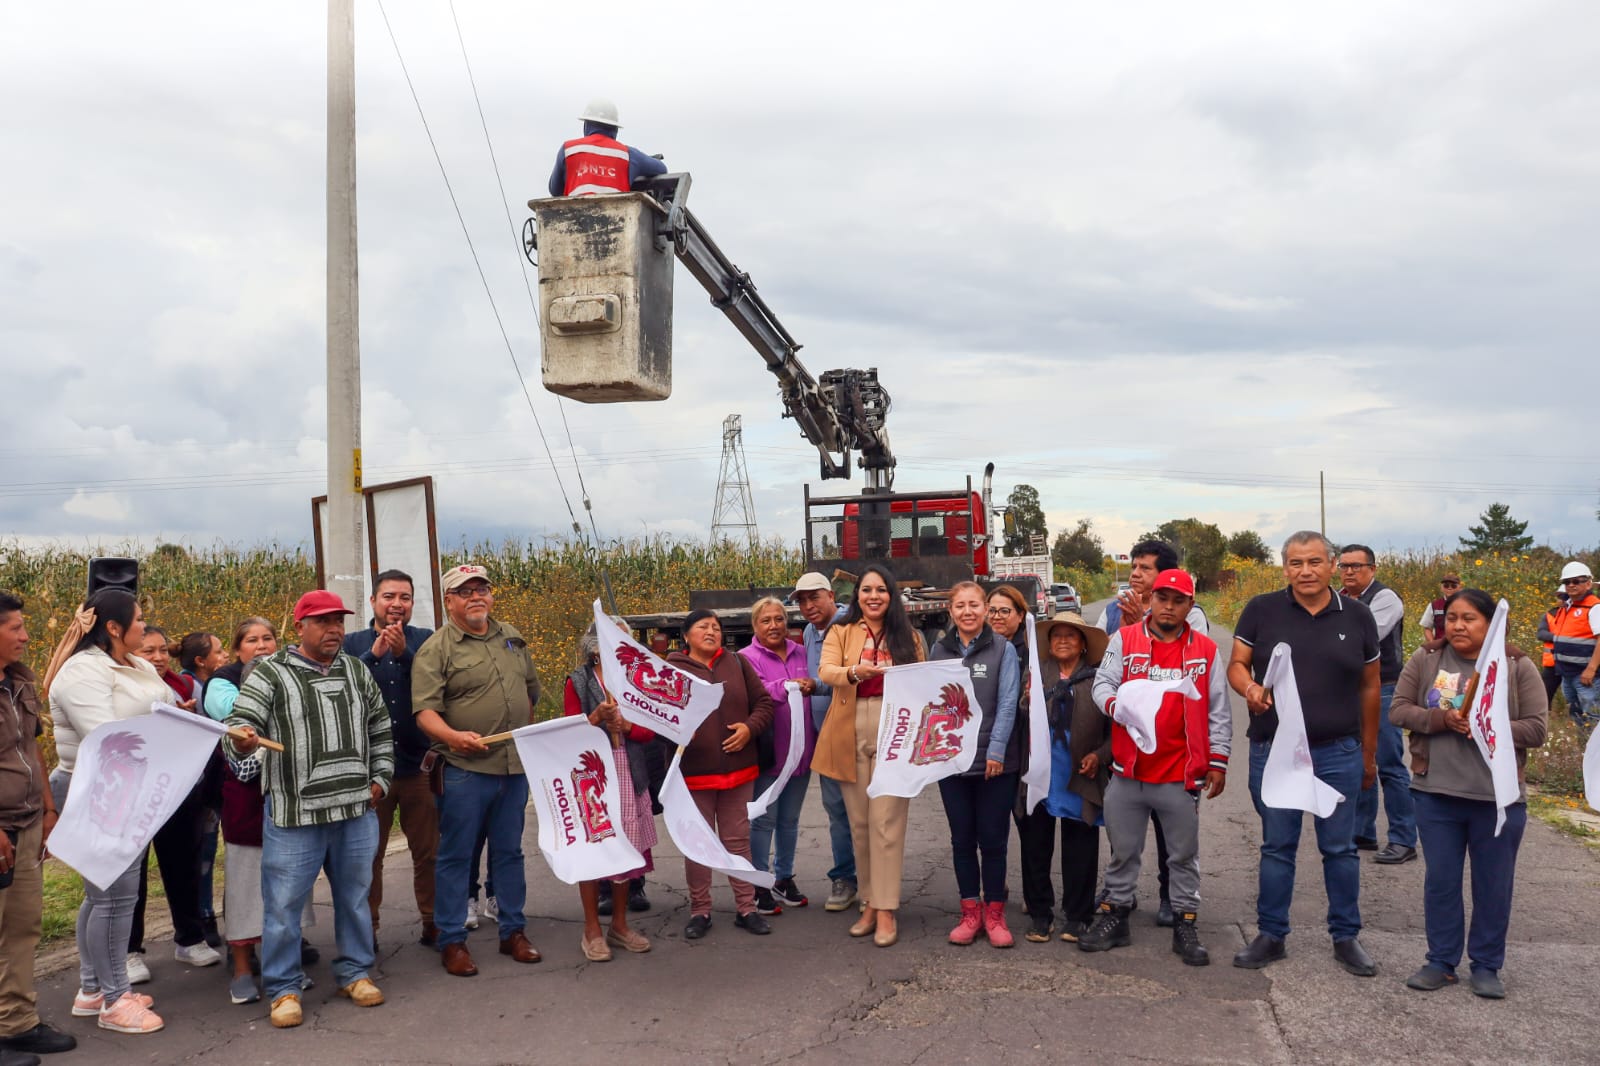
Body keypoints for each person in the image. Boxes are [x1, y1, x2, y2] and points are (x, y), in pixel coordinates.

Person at [226, 590, 394, 1029]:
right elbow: (238, 727)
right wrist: (242, 739)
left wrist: (380, 778)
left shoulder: (356, 670)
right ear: (300, 627)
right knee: (283, 907)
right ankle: (284, 988)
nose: (334, 629)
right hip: (295, 816)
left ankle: (355, 973)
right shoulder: (270, 673)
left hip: (355, 810)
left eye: (338, 621)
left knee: (355, 898)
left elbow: (380, 726)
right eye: (322, 621)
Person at [1228, 531, 1381, 977]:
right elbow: (1237, 664)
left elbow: (1371, 686)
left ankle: (1346, 936)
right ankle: (1271, 934)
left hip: (1338, 751)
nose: (1306, 571)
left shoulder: (1357, 615)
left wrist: (1369, 753)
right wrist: (1250, 688)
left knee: (1340, 848)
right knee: (1277, 846)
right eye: (1296, 563)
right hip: (1276, 750)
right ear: (1285, 568)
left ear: (1332, 565)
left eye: (1315, 562)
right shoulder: (1262, 610)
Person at [1389, 587, 1547, 999]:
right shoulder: (1427, 659)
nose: (1458, 626)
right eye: (1452, 618)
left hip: (1497, 799)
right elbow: (1399, 709)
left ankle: (1486, 965)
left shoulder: (1516, 665)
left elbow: (1536, 729)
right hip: (1435, 794)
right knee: (1441, 883)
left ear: (1491, 624)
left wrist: (1485, 724)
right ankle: (1441, 962)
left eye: (1470, 618)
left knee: (1493, 886)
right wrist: (1442, 719)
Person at [1082, 570, 1230, 966]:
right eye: (1162, 598)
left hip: (1180, 773)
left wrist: (1218, 761)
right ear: (1152, 600)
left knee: (1182, 855)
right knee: (1123, 851)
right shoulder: (1125, 639)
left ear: (1190, 605)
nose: (1169, 607)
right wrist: (1115, 706)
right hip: (1128, 770)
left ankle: (1185, 922)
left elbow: (1218, 708)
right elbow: (1102, 683)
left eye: (1178, 601)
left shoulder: (1205, 650)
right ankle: (1116, 917)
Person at [40, 589, 171, 1034]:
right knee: (114, 900)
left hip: (131, 788)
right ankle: (116, 1001)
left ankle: (93, 989)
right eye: (139, 619)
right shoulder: (81, 672)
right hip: (99, 790)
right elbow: (106, 737)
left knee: (103, 897)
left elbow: (166, 708)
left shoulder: (138, 665)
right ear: (113, 628)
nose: (144, 625)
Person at [411, 565, 542, 977]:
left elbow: (530, 692)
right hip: (465, 769)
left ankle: (512, 931)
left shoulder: (511, 636)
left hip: (512, 768)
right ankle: (452, 940)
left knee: (510, 852)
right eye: (464, 592)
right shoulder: (437, 648)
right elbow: (425, 712)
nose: (475, 597)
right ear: (449, 600)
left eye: (481, 589)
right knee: (456, 855)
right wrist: (452, 737)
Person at [813, 564, 928, 948]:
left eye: (881, 590)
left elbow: (922, 682)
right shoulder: (841, 631)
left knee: (886, 822)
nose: (874, 596)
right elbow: (826, 671)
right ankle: (868, 903)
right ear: (857, 596)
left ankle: (886, 908)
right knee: (860, 824)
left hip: (895, 727)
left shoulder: (908, 636)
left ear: (891, 596)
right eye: (866, 590)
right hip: (849, 727)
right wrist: (854, 672)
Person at [206, 617, 318, 1006]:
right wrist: (261, 746)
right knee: (244, 893)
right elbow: (244, 769)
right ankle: (241, 969)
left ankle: (284, 966)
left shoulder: (293, 719)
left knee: (288, 893)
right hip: (247, 820)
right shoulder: (236, 725)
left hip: (290, 816)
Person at [1096, 539, 1204, 927]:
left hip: (1175, 753)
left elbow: (1195, 674)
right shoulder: (1114, 611)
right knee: (1124, 830)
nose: (1136, 574)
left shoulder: (1193, 617)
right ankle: (1118, 899)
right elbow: (1100, 662)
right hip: (1127, 744)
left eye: (1145, 568)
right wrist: (1128, 629)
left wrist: (1143, 621)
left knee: (1172, 833)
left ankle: (1172, 899)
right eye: (1134, 567)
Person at [342, 570, 438, 950]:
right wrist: (374, 656)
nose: (397, 604)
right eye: (389, 596)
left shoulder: (426, 641)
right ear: (373, 602)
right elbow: (342, 690)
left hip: (419, 767)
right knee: (369, 856)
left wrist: (404, 655)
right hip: (369, 772)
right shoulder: (351, 644)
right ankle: (368, 928)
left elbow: (437, 686)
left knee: (429, 852)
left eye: (405, 597)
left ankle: (434, 922)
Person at [0, 592, 77, 1060]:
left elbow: (31, 750)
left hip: (26, 823)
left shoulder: (19, 684)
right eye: (16, 628)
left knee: (22, 928)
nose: (26, 636)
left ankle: (16, 1024)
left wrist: (49, 811)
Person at [668, 610, 775, 938]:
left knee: (737, 841)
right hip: (693, 774)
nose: (711, 631)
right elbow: (658, 714)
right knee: (697, 845)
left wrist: (749, 728)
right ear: (686, 635)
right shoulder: (672, 669)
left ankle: (746, 908)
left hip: (738, 771)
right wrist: (678, 731)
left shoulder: (738, 663)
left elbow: (764, 704)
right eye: (703, 626)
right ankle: (700, 911)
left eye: (716, 627)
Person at [124, 627, 222, 987]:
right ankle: (129, 951)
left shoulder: (184, 685)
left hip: (179, 788)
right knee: (132, 875)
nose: (158, 657)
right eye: (148, 651)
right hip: (136, 791)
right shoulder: (125, 687)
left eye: (163, 650)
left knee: (183, 866)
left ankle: (190, 939)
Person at [932, 581, 1021, 948]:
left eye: (974, 605)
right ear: (951, 611)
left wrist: (996, 751)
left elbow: (1008, 702)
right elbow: (932, 702)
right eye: (960, 606)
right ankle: (970, 912)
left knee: (994, 841)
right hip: (953, 763)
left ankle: (995, 914)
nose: (967, 612)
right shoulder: (939, 650)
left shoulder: (1003, 650)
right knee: (962, 840)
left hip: (994, 764)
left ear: (985, 609)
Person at [564, 617, 656, 961]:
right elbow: (569, 733)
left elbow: (650, 731)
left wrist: (627, 726)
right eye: (611, 637)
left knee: (625, 849)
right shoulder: (577, 681)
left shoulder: (635, 681)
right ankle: (592, 929)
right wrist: (595, 719)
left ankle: (619, 925)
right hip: (593, 776)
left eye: (624, 638)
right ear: (594, 645)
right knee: (594, 848)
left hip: (629, 771)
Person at [1018, 613, 1110, 944]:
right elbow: (1021, 713)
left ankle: (1078, 915)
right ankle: (1040, 914)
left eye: (1071, 635)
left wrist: (1098, 756)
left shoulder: (1099, 678)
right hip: (1040, 771)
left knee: (1080, 847)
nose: (1063, 640)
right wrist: (1026, 700)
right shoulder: (1035, 672)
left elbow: (1116, 728)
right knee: (1035, 845)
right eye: (1057, 635)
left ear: (1083, 644)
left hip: (1080, 773)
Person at [1337, 544, 1418, 864]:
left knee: (1389, 763)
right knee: (1359, 759)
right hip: (1349, 689)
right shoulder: (1340, 597)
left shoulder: (1385, 598)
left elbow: (1365, 636)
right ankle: (1363, 831)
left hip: (1384, 688)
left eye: (1356, 566)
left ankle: (1403, 838)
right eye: (1344, 566)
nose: (1349, 572)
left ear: (1372, 568)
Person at [739, 597, 816, 915]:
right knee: (763, 820)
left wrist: (810, 684)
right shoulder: (746, 658)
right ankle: (759, 882)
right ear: (755, 626)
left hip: (801, 755)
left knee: (789, 820)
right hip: (770, 755)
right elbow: (755, 692)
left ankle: (784, 878)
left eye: (779, 619)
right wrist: (786, 686)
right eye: (766, 620)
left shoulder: (801, 652)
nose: (774, 625)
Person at [794, 573, 856, 912]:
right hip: (825, 737)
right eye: (802, 601)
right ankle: (845, 878)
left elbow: (853, 675)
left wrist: (815, 685)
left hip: (853, 732)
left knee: (864, 812)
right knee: (836, 810)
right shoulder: (809, 631)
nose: (808, 606)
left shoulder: (850, 625)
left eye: (814, 597)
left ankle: (873, 882)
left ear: (831, 595)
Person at [177, 631, 227, 951]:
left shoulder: (213, 684)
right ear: (200, 660)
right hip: (198, 784)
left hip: (212, 779)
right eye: (218, 652)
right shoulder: (187, 686)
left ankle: (206, 914)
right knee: (200, 853)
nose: (224, 656)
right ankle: (203, 916)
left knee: (208, 850)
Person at [547, 99, 667, 198]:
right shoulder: (628, 155)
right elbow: (662, 169)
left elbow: (555, 190)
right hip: (618, 219)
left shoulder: (568, 149)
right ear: (615, 129)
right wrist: (636, 167)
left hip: (573, 218)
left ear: (586, 124)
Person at [1548, 561, 1600, 736]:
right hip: (1567, 673)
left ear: (1588, 583)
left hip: (1585, 675)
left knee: (1592, 715)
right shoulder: (1567, 607)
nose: (1571, 585)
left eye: (1576, 581)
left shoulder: (1594, 607)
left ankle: (1594, 748)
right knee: (1577, 713)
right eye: (1567, 581)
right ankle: (1584, 745)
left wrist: (1591, 669)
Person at [1535, 586, 1569, 708]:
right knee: (1543, 696)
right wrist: (1559, 637)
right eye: (1560, 597)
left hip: (1575, 664)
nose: (1562, 600)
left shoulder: (1580, 614)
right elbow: (1541, 634)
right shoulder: (1549, 615)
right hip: (1552, 664)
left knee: (1576, 697)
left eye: (1565, 597)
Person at [1416, 572, 1462, 642]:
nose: (1449, 588)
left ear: (1459, 587)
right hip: (1440, 645)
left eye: (1453, 586)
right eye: (1446, 585)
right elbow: (1427, 628)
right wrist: (1433, 644)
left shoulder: (1466, 604)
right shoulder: (1433, 605)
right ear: (1441, 588)